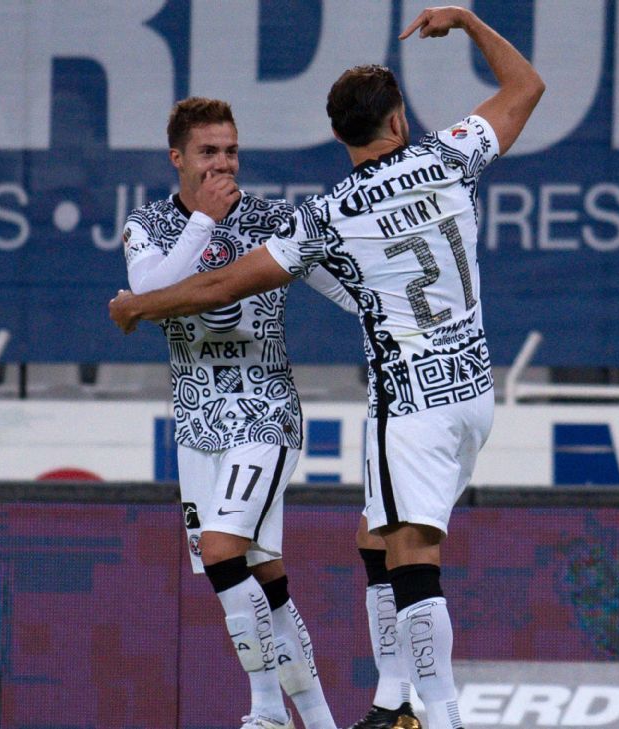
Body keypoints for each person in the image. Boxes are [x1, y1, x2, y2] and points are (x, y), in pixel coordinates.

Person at [111, 7, 544, 727]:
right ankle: (387, 704)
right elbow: (525, 87)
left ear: (340, 137)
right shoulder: (451, 154)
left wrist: (139, 306)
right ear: (398, 119)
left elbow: (222, 286)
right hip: (473, 387)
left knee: (410, 559)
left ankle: (439, 715)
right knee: (374, 538)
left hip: (410, 400)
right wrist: (469, 22)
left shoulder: (329, 215)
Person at [123, 96, 357, 729]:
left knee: (223, 552)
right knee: (265, 581)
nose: (222, 164)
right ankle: (319, 720)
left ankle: (266, 712)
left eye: (230, 151)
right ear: (177, 158)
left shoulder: (273, 222)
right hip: (197, 426)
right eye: (208, 152)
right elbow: (150, 296)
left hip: (264, 413)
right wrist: (203, 221)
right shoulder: (148, 225)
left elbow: (344, 289)